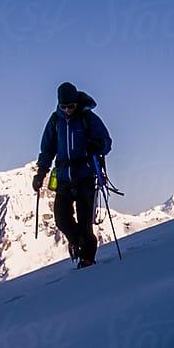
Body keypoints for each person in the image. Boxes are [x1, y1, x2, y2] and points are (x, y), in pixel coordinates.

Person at [33, 82, 113, 267]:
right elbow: (47, 149)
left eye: (71, 106)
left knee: (85, 225)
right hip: (64, 179)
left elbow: (106, 142)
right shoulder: (55, 121)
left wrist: (98, 145)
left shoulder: (87, 118)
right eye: (64, 107)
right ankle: (77, 243)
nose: (68, 110)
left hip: (85, 177)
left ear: (76, 102)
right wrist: (40, 173)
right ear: (59, 105)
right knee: (61, 219)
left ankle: (87, 260)